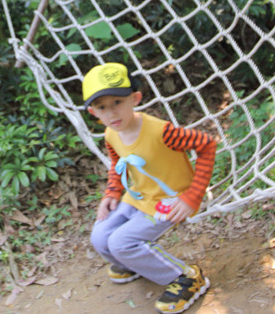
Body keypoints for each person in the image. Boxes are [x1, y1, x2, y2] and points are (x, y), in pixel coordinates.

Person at [84, 63, 216, 313]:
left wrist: (192, 195)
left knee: (122, 242)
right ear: (93, 112)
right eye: (102, 107)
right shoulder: (111, 134)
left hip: (172, 198)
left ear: (135, 98)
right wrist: (112, 191)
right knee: (100, 238)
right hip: (138, 196)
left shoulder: (161, 132)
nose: (112, 113)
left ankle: (187, 278)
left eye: (118, 102)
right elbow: (117, 163)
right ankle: (135, 262)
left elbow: (207, 145)